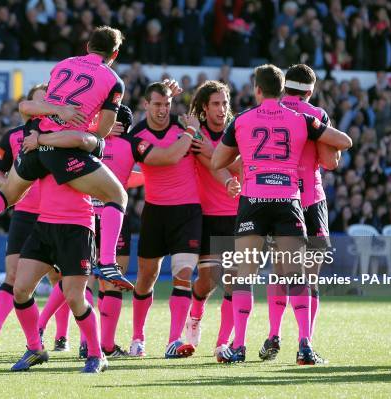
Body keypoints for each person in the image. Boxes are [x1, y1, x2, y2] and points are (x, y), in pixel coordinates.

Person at [0, 26, 132, 290]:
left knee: (8, 194)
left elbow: (34, 105)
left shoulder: (63, 65)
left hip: (35, 143)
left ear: (87, 46)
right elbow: (105, 129)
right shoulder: (114, 80)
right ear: (114, 53)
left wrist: (57, 112)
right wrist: (86, 128)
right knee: (117, 196)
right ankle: (107, 262)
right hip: (65, 150)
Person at [211, 64, 352, 365]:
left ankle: (242, 345)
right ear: (308, 91)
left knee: (245, 275)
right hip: (297, 199)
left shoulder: (244, 120)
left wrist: (247, 157)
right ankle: (305, 345)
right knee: (300, 277)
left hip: (255, 197)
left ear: (258, 90)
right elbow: (336, 153)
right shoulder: (307, 117)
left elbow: (218, 160)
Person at [0, 83, 97, 351]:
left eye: (49, 102)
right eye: (39, 102)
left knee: (62, 280)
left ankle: (62, 336)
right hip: (24, 212)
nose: (44, 107)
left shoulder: (64, 135)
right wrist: (8, 186)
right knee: (13, 275)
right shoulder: (12, 136)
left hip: (56, 215)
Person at [34, 104, 142, 358]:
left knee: (77, 280)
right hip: (109, 218)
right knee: (108, 280)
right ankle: (103, 344)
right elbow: (141, 172)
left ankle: (57, 331)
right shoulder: (126, 145)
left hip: (86, 217)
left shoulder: (85, 139)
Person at [257, 64, 339, 364]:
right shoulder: (316, 114)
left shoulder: (271, 111)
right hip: (311, 199)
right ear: (310, 90)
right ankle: (305, 343)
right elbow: (330, 161)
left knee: (280, 272)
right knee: (309, 278)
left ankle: (273, 334)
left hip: (279, 197)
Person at [125, 82, 202, 358]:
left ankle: (174, 339)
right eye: (157, 104)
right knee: (146, 277)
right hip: (155, 212)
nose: (162, 110)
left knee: (183, 275)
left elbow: (208, 121)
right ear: (146, 105)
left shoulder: (183, 129)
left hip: (188, 212)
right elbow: (167, 158)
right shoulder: (136, 135)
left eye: (167, 104)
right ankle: (137, 338)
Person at [184, 80, 240, 359]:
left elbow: (243, 165)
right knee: (208, 281)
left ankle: (222, 344)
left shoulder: (236, 132)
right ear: (205, 107)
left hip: (236, 215)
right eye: (216, 103)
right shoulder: (197, 136)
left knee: (233, 280)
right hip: (205, 215)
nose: (222, 109)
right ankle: (194, 318)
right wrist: (216, 157)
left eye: (225, 103)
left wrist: (214, 151)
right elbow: (212, 164)